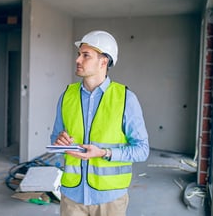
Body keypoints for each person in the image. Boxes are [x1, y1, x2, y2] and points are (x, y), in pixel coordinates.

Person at [50, 30, 149, 216]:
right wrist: (59, 143)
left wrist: (104, 153)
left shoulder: (126, 99)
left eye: (85, 55)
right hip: (72, 197)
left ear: (104, 61)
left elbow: (142, 150)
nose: (78, 60)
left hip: (110, 200)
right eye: (79, 54)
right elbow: (55, 141)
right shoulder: (67, 96)